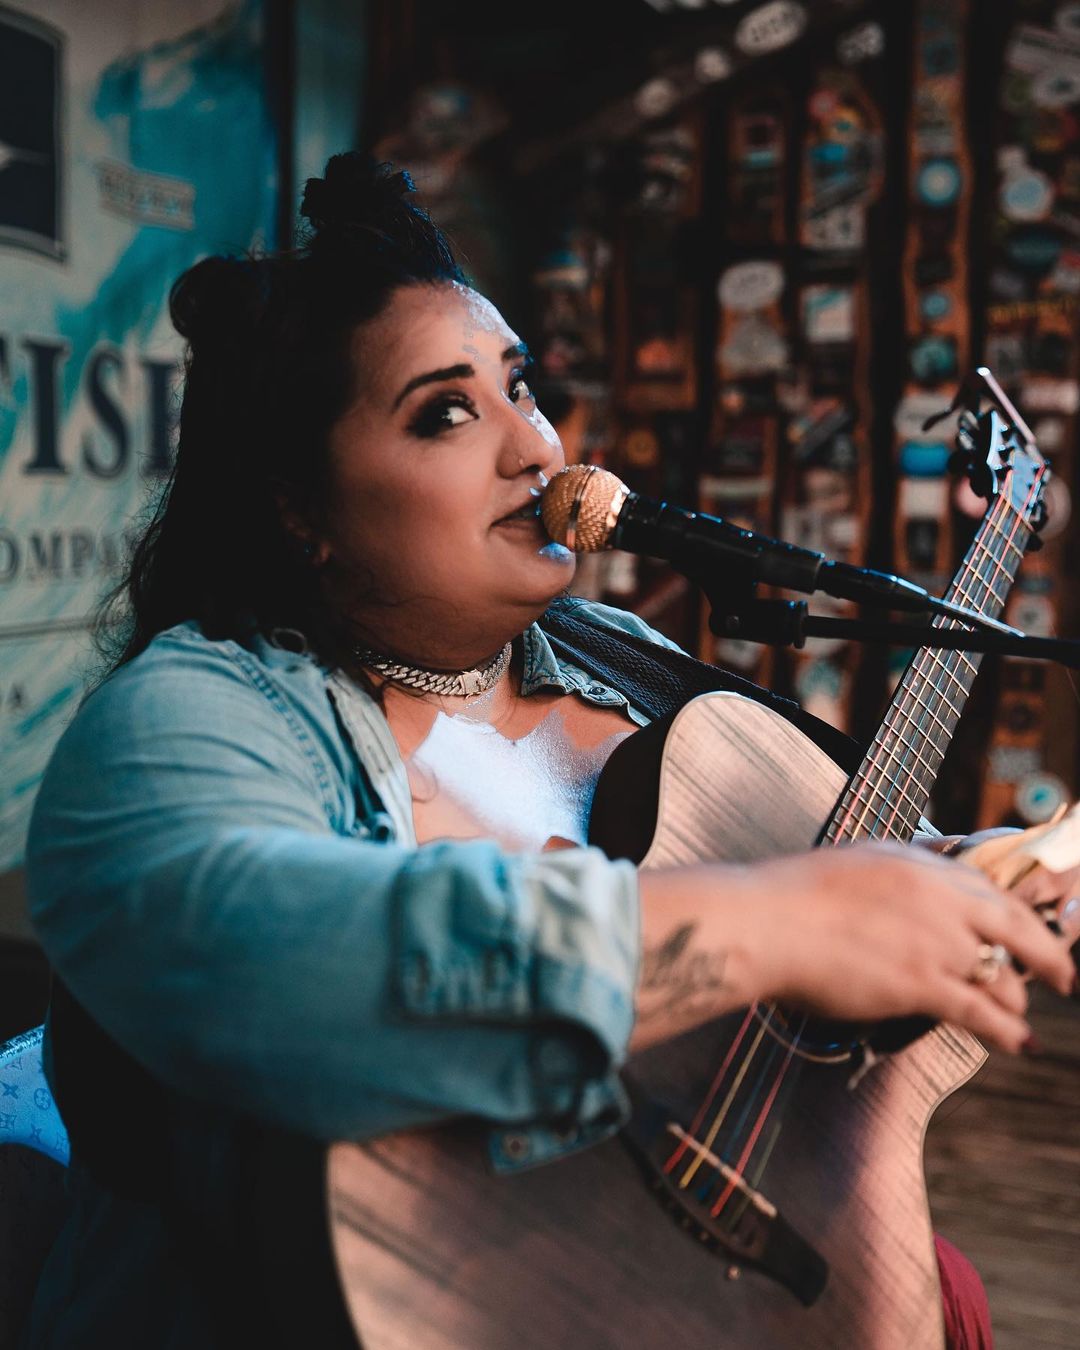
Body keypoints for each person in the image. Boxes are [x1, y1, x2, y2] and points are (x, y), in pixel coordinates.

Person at [21, 155, 1077, 1349]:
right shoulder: (192, 715)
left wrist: (945, 889)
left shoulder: (611, 650)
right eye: (447, 412)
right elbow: (243, 960)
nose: (537, 449)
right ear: (296, 509)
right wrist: (786, 921)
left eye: (521, 387)